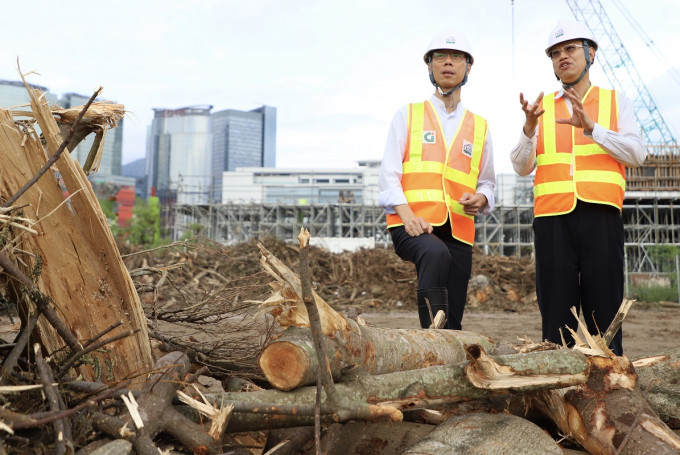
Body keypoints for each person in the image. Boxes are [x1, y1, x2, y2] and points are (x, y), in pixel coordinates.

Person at [511, 21, 645, 355]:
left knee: (605, 316)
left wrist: (593, 129)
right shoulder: (542, 108)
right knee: (557, 319)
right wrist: (529, 129)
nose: (562, 57)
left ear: (591, 53)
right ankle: (558, 390)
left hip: (601, 216)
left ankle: (610, 389)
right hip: (553, 221)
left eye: (570, 49)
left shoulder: (615, 102)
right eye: (555, 53)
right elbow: (520, 166)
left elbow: (637, 154)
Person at [378, 29, 496, 330]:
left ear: (468, 67)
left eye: (456, 57)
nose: (448, 62)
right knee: (434, 253)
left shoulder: (479, 126)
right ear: (429, 66)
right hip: (411, 223)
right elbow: (388, 177)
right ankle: (429, 341)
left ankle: (448, 348)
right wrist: (407, 217)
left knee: (454, 311)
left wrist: (481, 199)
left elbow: (487, 184)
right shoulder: (407, 116)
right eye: (439, 56)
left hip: (458, 228)